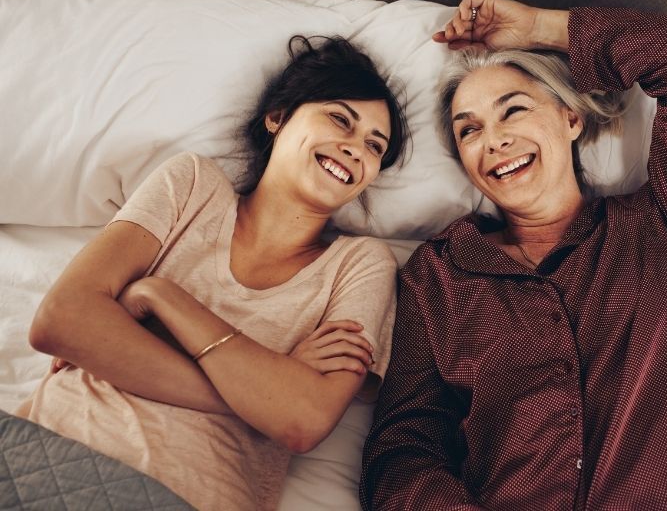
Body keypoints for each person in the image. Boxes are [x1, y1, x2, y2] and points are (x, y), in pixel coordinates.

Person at [361, 0, 667, 510]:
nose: (495, 140)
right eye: (470, 130)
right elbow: (400, 450)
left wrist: (539, 26)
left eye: (514, 110)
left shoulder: (658, 223)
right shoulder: (439, 276)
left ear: (571, 118)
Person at [19, 36, 407, 510]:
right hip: (46, 456)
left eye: (374, 145)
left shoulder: (360, 265)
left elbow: (302, 420)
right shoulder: (191, 186)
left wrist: (162, 298)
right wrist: (261, 395)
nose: (354, 149)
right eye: (340, 119)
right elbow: (60, 320)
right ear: (277, 117)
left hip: (187, 494)